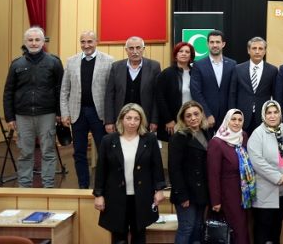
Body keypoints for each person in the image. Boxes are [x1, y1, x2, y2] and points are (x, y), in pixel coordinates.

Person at [93, 103, 166, 244]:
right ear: (121, 119)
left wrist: (159, 189)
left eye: (136, 119)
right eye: (128, 118)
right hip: (115, 197)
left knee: (139, 236)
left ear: (141, 121)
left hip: (142, 196)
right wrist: (99, 195)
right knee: (118, 237)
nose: (132, 122)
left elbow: (157, 167)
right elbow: (101, 170)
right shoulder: (108, 140)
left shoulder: (149, 139)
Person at [3, 26, 64, 188]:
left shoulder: (54, 62)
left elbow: (61, 89)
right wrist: (9, 117)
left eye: (37, 40)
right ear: (25, 42)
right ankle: (24, 188)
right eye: (30, 40)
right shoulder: (16, 64)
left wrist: (60, 113)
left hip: (47, 114)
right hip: (22, 116)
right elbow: (8, 91)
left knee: (48, 152)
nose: (34, 43)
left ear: (43, 42)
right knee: (25, 153)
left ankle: (48, 187)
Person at [60, 30, 114, 189]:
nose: (86, 45)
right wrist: (65, 113)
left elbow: (112, 91)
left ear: (97, 42)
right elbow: (64, 90)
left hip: (100, 114)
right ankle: (83, 186)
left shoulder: (109, 61)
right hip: (77, 113)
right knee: (79, 153)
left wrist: (111, 117)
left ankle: (103, 187)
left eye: (90, 41)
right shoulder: (71, 61)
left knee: (104, 152)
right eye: (83, 42)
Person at [247, 100, 283, 244]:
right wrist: (279, 178)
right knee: (262, 232)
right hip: (264, 193)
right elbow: (257, 162)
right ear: (264, 115)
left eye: (275, 112)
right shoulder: (257, 134)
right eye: (269, 113)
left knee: (276, 230)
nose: (272, 116)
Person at [207, 109, 256, 244]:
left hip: (244, 193)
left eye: (240, 120)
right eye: (233, 119)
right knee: (238, 230)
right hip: (228, 193)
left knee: (243, 227)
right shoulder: (217, 142)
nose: (236, 123)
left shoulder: (243, 136)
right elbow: (213, 174)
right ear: (227, 121)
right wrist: (215, 201)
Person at [168, 100, 211, 244]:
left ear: (201, 115)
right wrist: (182, 196)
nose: (193, 118)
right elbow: (174, 169)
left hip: (201, 191)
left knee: (198, 227)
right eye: (188, 116)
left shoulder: (206, 132)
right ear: (183, 119)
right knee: (187, 228)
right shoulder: (178, 137)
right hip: (186, 193)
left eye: (196, 114)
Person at [104, 36, 161, 133]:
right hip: (121, 119)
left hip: (145, 119)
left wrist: (154, 120)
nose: (135, 51)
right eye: (131, 48)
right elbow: (109, 95)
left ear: (143, 49)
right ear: (126, 50)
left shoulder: (154, 67)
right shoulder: (116, 67)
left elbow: (157, 96)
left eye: (138, 48)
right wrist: (109, 121)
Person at [229, 36, 278, 134]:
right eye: (254, 48)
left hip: (263, 117)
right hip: (241, 117)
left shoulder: (272, 70)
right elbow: (232, 94)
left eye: (260, 49)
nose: (257, 51)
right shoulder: (238, 69)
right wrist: (233, 114)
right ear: (248, 50)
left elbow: (276, 95)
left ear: (265, 51)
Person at [191, 30, 236, 129]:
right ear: (207, 44)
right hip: (206, 116)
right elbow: (196, 92)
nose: (215, 45)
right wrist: (206, 114)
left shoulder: (232, 64)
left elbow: (233, 91)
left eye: (218, 42)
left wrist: (231, 114)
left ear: (223, 44)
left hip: (227, 116)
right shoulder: (198, 65)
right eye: (212, 42)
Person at [155, 41, 194, 143]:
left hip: (192, 118)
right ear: (176, 55)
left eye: (187, 52)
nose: (184, 54)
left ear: (191, 56)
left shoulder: (196, 73)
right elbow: (160, 98)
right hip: (172, 121)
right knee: (174, 148)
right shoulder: (166, 74)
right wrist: (168, 120)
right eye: (181, 51)